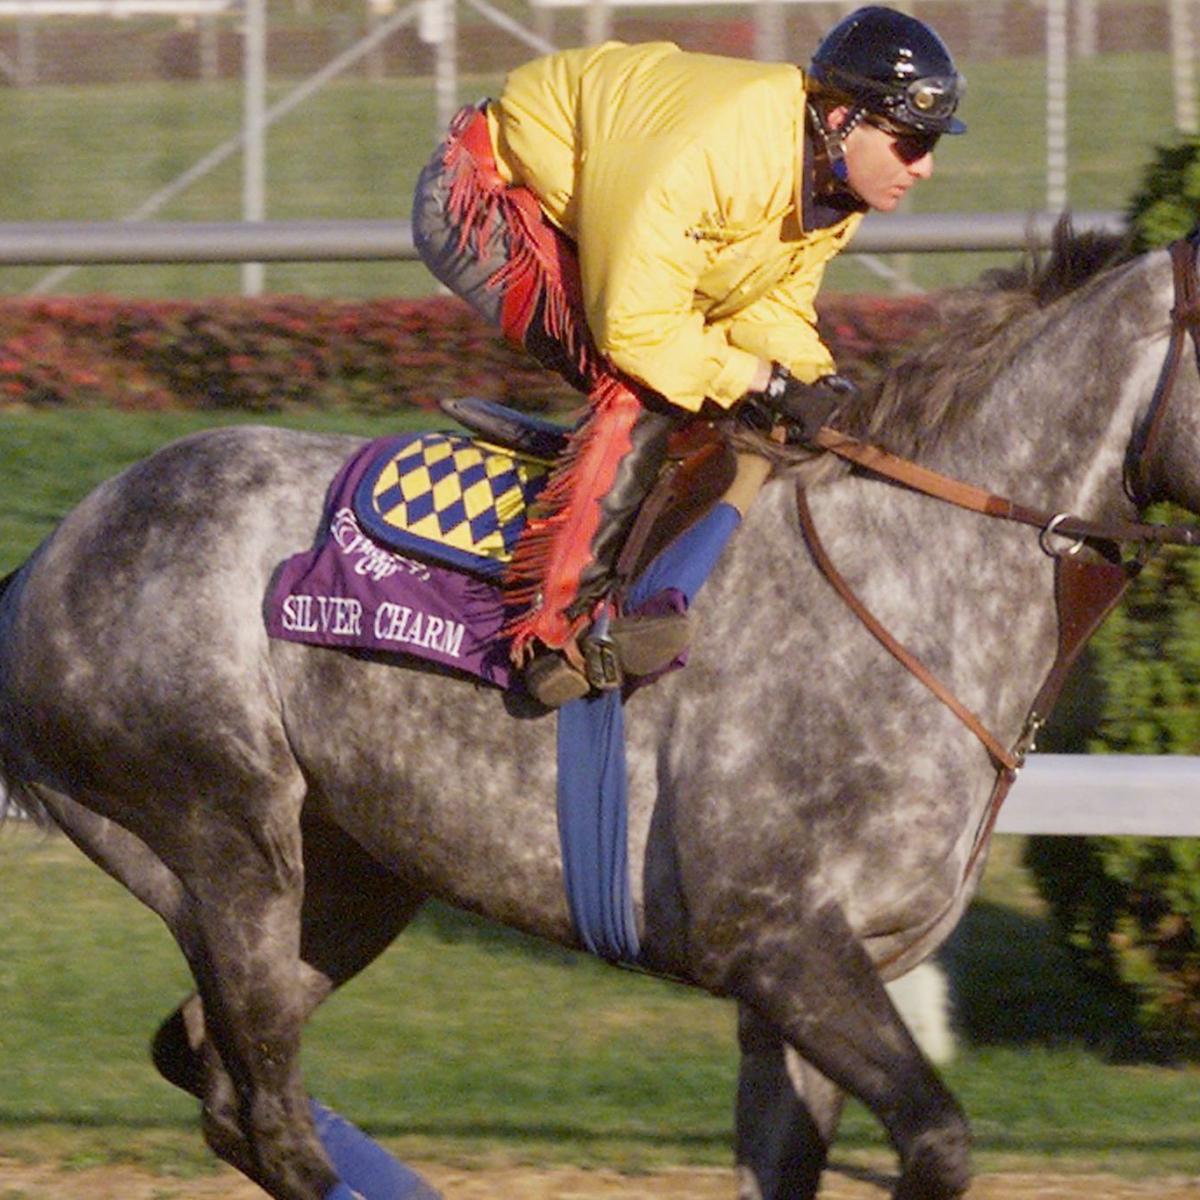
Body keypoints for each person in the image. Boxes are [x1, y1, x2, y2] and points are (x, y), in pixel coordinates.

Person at [412, 5, 965, 706]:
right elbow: (636, 331)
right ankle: (557, 630)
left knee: (753, 397)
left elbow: (766, 304)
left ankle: (653, 574)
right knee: (643, 382)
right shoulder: (713, 149)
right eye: (912, 144)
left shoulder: (829, 186)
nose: (926, 168)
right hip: (481, 193)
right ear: (840, 121)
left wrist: (811, 381)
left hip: (588, 214)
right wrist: (755, 379)